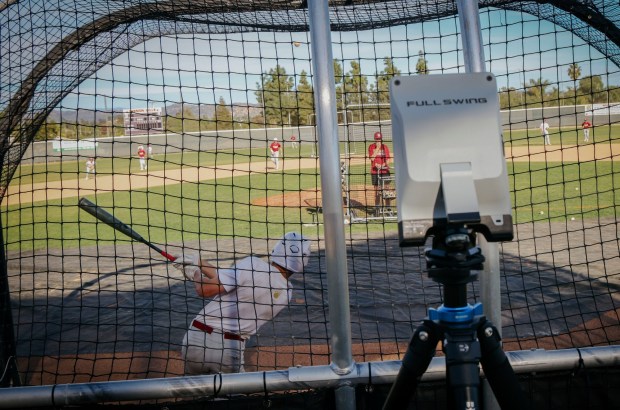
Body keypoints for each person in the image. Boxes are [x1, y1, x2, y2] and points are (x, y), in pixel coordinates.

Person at [173, 232, 312, 375]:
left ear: (277, 249)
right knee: (233, 395)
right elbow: (230, 278)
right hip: (229, 350)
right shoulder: (286, 293)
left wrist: (194, 272)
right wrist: (198, 262)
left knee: (193, 392)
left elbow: (204, 289)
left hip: (196, 341)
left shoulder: (253, 264)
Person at [368, 131, 392, 215]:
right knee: (377, 191)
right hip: (375, 172)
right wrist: (377, 148)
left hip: (385, 171)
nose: (378, 141)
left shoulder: (385, 147)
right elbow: (372, 158)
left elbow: (388, 160)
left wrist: (383, 165)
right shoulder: (371, 147)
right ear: (375, 139)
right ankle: (378, 209)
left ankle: (388, 209)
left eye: (379, 139)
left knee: (386, 190)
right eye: (377, 139)